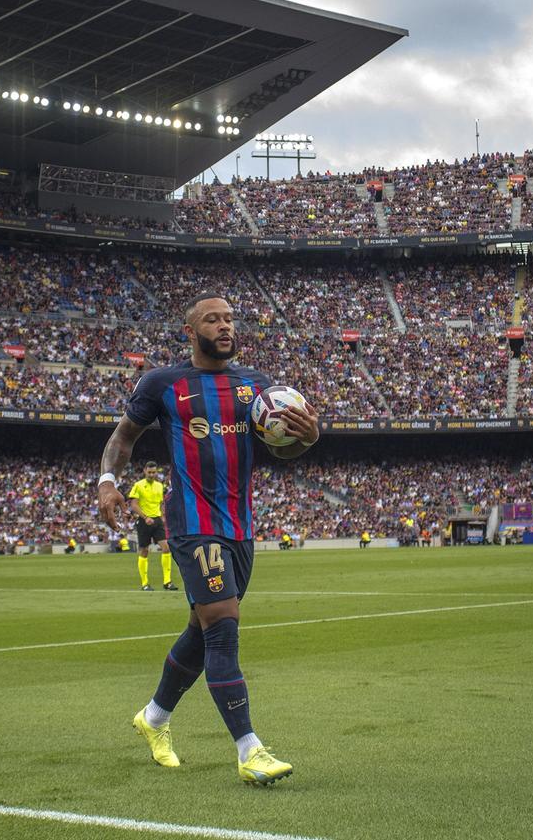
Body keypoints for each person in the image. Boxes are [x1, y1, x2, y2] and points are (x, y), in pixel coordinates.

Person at [98, 293, 319, 785]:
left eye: (229, 319)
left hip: (240, 527)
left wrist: (308, 436)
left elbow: (284, 451)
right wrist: (108, 483)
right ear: (190, 330)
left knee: (203, 632)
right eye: (212, 319)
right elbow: (123, 438)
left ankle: (153, 718)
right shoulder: (163, 383)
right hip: (192, 522)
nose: (224, 326)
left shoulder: (258, 388)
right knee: (223, 626)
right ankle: (250, 748)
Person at [126, 462, 174, 591]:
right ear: (144, 471)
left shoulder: (159, 486)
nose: (152, 475)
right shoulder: (138, 485)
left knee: (166, 547)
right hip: (143, 521)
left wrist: (162, 516)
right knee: (144, 551)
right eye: (150, 472)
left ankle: (167, 581)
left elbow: (161, 503)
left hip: (157, 520)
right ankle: (145, 583)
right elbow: (134, 505)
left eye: (154, 472)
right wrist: (145, 517)